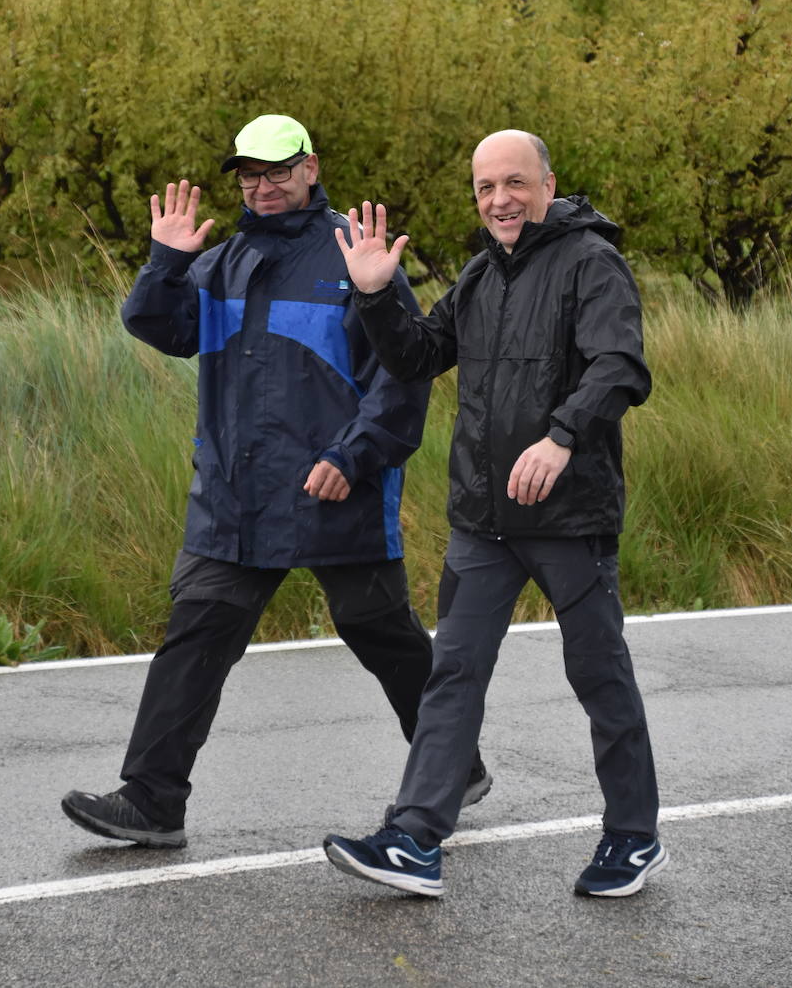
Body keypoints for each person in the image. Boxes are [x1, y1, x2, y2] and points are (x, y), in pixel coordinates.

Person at [61, 114, 491, 849]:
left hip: (335, 485)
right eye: (249, 174)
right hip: (234, 495)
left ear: (310, 168)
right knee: (197, 631)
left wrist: (353, 456)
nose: (262, 185)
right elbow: (159, 327)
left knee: (378, 631)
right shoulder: (221, 262)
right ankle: (153, 800)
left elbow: (403, 373)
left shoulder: (353, 256)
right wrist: (165, 260)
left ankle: (452, 767)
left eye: (277, 170)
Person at [323, 129, 665, 899]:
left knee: (598, 674)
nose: (500, 200)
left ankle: (633, 837)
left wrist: (562, 438)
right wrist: (377, 292)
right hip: (485, 517)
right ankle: (414, 839)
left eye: (515, 183)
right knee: (453, 674)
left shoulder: (591, 263)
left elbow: (621, 367)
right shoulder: (480, 275)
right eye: (485, 188)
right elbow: (415, 356)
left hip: (570, 513)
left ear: (548, 185)